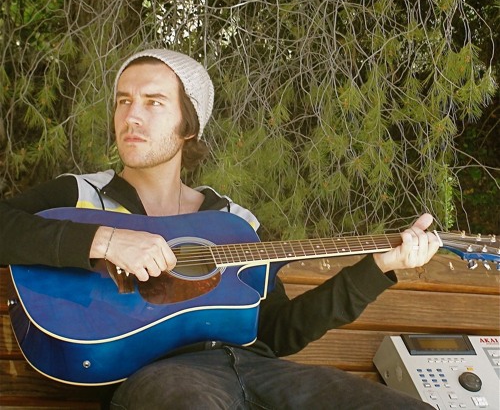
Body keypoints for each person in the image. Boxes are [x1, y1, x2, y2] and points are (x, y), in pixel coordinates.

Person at [0, 48, 441, 409]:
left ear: (188, 125)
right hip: (158, 378)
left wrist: (380, 267)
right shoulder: (81, 194)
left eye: (153, 102)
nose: (131, 117)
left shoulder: (234, 221)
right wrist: (105, 240)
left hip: (258, 370)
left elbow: (276, 332)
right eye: (123, 101)